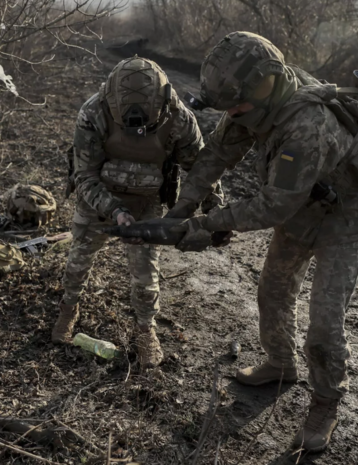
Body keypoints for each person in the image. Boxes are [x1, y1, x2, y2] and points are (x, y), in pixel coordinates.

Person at [161, 32, 358, 451]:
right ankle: (280, 364)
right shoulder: (253, 98)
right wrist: (181, 207)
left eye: (237, 106)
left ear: (264, 86)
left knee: (324, 320)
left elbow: (272, 206)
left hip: (343, 216)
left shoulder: (306, 125)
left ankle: (325, 403)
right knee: (274, 292)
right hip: (302, 199)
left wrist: (206, 224)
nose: (234, 113)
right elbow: (217, 154)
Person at [52, 56, 223, 368]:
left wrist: (216, 209)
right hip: (98, 199)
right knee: (77, 262)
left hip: (147, 202)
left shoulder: (178, 117)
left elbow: (201, 169)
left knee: (146, 277)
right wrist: (114, 210)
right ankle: (68, 309)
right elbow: (84, 176)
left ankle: (146, 330)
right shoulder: (94, 112)